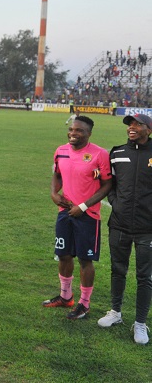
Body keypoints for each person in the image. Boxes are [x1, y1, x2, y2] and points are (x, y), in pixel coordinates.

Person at [43, 116, 112, 320]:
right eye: (72, 129)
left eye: (79, 130)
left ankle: (84, 303)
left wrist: (83, 206)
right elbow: (57, 175)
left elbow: (107, 184)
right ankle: (66, 297)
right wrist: (54, 194)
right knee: (63, 255)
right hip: (65, 213)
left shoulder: (99, 154)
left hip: (88, 215)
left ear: (89, 133)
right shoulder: (61, 151)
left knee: (85, 259)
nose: (73, 133)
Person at [97, 113, 152, 345]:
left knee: (145, 277)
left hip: (147, 227)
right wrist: (116, 202)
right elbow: (110, 183)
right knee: (117, 269)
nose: (132, 127)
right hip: (119, 224)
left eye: (137, 124)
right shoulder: (117, 152)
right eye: (130, 124)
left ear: (148, 130)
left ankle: (140, 323)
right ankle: (116, 312)